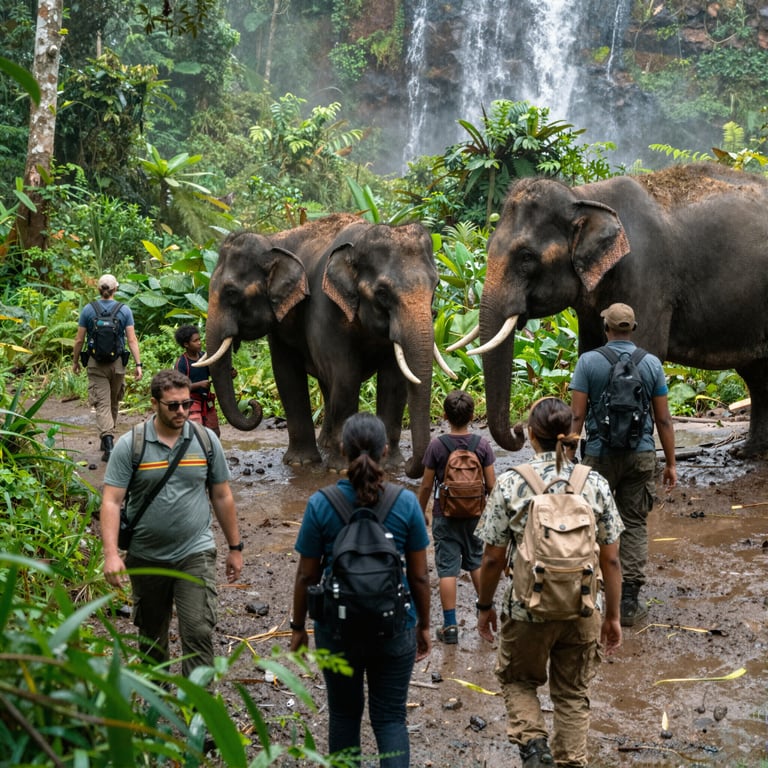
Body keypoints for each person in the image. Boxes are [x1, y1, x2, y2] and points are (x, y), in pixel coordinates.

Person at [475, 397, 623, 768]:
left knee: (519, 680)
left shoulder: (511, 484)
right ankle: (571, 761)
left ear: (529, 435)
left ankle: (534, 746)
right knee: (573, 693)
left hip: (527, 609)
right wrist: (613, 616)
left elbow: (492, 558)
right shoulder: (595, 484)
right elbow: (612, 558)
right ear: (573, 436)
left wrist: (484, 606)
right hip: (583, 607)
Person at [289, 412, 431, 768]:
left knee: (344, 717)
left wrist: (297, 628)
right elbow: (419, 578)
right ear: (386, 450)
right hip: (395, 629)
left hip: (336, 631)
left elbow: (305, 577)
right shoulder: (406, 503)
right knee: (390, 719)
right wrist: (424, 625)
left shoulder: (321, 504)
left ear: (341, 448)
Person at [100, 369, 243, 677]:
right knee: (151, 638)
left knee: (199, 631)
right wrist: (111, 554)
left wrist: (235, 547)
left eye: (186, 404)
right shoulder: (131, 445)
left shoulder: (205, 440)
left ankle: (199, 710)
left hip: (195, 552)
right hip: (146, 556)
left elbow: (221, 495)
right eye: (173, 405)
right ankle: (158, 709)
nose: (182, 411)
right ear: (155, 403)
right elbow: (111, 501)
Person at [569, 302, 677, 627]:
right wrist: (670, 462)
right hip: (640, 455)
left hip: (599, 456)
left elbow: (576, 415)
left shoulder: (588, 362)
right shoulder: (652, 364)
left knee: (590, 522)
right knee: (633, 523)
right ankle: (628, 601)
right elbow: (663, 419)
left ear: (606, 329)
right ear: (633, 328)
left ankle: (590, 594)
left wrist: (565, 457)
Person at [417, 389, 495, 644]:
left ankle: (450, 626)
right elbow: (492, 485)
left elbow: (427, 485)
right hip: (476, 514)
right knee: (475, 562)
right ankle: (485, 615)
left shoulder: (437, 446)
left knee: (447, 569)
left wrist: (420, 510)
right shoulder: (481, 445)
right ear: (473, 415)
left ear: (444, 416)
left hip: (445, 514)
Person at [72, 274, 142, 461]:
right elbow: (132, 339)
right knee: (112, 401)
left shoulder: (88, 310)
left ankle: (108, 444)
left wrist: (75, 361)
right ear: (115, 290)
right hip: (118, 364)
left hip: (95, 364)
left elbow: (79, 339)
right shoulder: (124, 310)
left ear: (98, 290)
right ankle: (108, 438)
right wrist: (138, 364)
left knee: (102, 403)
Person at [174, 324, 221, 436]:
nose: (199, 342)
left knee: (214, 431)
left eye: (199, 339)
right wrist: (199, 385)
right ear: (186, 344)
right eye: (195, 341)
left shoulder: (204, 356)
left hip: (207, 401)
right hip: (191, 402)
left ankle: (211, 452)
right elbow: (178, 387)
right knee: (197, 432)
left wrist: (229, 374)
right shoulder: (182, 363)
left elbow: (214, 373)